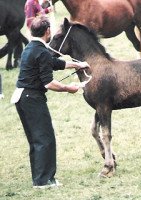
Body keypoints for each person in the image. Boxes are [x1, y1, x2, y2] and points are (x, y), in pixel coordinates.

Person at [11, 16, 90, 189]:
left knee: (36, 139)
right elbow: (49, 83)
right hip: (32, 99)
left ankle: (39, 179)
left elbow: (54, 63)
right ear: (47, 31)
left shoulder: (31, 48)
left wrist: (77, 65)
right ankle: (44, 181)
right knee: (45, 138)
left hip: (21, 97)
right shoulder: (41, 51)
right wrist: (69, 88)